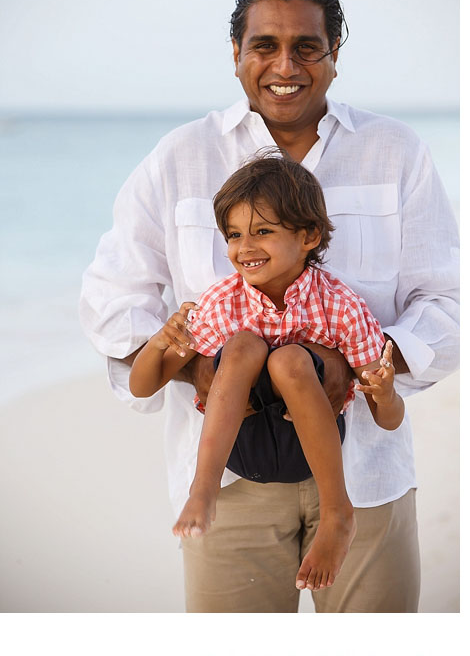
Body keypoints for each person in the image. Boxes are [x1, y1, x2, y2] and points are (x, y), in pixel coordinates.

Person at [80, 0, 458, 612]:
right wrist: (197, 366)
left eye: (307, 46)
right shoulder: (181, 156)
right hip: (229, 481)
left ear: (335, 53)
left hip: (365, 472)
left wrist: (361, 367)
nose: (285, 66)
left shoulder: (395, 152)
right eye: (264, 45)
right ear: (236, 54)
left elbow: (446, 300)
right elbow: (111, 297)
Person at [128, 153, 403, 592]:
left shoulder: (341, 306)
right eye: (234, 235)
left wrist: (385, 393)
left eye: (263, 232)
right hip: (244, 448)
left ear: (309, 235)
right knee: (242, 346)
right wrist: (161, 340)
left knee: (288, 360)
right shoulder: (221, 303)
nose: (245, 248)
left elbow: (388, 419)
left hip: (312, 450)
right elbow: (142, 387)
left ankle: (337, 512)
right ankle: (203, 488)